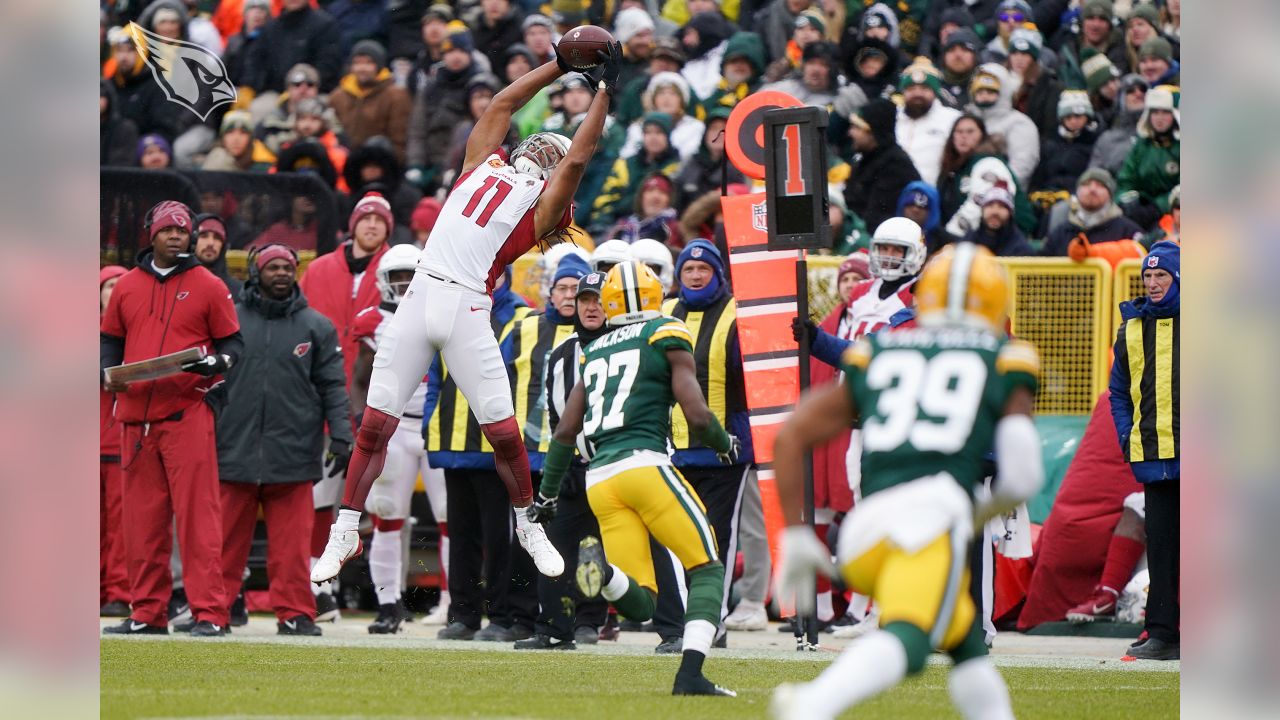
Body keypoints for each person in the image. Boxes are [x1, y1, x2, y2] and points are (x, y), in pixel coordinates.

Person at [311, 40, 628, 586]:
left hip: (466, 305)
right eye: (541, 147)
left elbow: (578, 156)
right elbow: (500, 106)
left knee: (504, 434)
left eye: (550, 157)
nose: (542, 154)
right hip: (421, 294)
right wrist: (557, 65)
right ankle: (344, 529)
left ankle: (529, 523)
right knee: (374, 425)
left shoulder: (541, 208)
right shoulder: (482, 161)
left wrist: (603, 89)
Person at [770, 242, 1043, 720]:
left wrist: (795, 533)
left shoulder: (879, 346)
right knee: (909, 641)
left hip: (865, 526)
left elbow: (792, 435)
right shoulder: (1005, 357)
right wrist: (973, 514)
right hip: (925, 525)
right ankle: (812, 705)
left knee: (963, 643)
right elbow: (1023, 474)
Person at [531, 260, 742, 696]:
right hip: (644, 464)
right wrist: (724, 443)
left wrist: (547, 495)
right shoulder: (665, 330)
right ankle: (691, 676)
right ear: (655, 295)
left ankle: (603, 571)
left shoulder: (594, 349)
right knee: (706, 568)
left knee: (640, 599)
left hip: (600, 480)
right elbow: (698, 416)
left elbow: (565, 432)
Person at [101, 200, 243, 637]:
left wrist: (214, 364)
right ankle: (147, 612)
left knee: (199, 519)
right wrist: (105, 374)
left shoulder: (209, 284)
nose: (177, 236)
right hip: (136, 420)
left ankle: (210, 614)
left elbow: (234, 347)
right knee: (141, 524)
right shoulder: (126, 286)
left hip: (187, 413)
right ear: (152, 234)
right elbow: (108, 342)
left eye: (184, 230)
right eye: (168, 229)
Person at [214, 245, 351, 638]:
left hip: (293, 453)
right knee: (223, 544)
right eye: (272, 267)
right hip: (233, 448)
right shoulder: (228, 321)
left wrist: (341, 435)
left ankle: (295, 613)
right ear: (256, 273)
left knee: (291, 549)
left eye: (287, 267)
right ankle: (213, 612)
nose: (280, 273)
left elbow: (333, 388)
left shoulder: (317, 326)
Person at [423, 265, 537, 641]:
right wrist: (430, 424)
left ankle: (502, 617)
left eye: (495, 274)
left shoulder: (522, 318)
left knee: (499, 536)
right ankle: (464, 615)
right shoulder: (450, 315)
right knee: (462, 534)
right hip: (454, 442)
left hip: (495, 446)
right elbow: (435, 380)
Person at [514, 266, 612, 650]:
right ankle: (555, 627)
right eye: (584, 299)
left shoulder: (629, 344)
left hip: (618, 464)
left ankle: (673, 630)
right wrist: (562, 468)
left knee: (637, 545)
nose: (589, 307)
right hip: (575, 464)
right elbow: (556, 418)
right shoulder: (561, 353)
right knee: (553, 543)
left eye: (597, 300)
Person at [1108, 241, 1180, 661]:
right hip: (1154, 454)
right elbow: (1118, 391)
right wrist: (1125, 434)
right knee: (1162, 546)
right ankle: (1162, 632)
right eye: (1147, 276)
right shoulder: (1131, 326)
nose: (1152, 283)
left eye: (1161, 276)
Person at [100, 265, 130, 618]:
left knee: (122, 529)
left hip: (122, 443)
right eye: (108, 286)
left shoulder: (137, 333)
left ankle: (120, 592)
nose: (115, 291)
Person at [844, 98, 921, 235]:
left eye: (857, 128)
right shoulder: (864, 160)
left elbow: (874, 219)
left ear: (873, 132)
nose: (850, 133)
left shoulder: (896, 166)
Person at [329, 40, 413, 162]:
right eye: (357, 63)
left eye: (369, 63)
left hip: (382, 163)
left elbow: (400, 140)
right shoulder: (338, 96)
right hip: (344, 162)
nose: (362, 68)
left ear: (379, 66)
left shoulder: (396, 95)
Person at [1041, 168, 1144, 259]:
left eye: (1100, 185)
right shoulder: (1061, 232)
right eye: (1086, 184)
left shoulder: (1127, 230)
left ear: (1110, 194)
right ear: (1077, 191)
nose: (1092, 189)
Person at [244, 0, 343, 94]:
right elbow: (255, 62)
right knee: (258, 109)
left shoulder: (325, 25)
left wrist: (303, 86)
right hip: (275, 94)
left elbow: (328, 65)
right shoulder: (270, 29)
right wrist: (249, 87)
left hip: (315, 92)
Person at [1116, 85, 1180, 231]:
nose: (1159, 118)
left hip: (1173, 213)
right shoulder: (1142, 145)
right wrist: (1125, 200)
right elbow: (1126, 179)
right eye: (1155, 112)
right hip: (1140, 209)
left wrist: (1159, 206)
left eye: (1165, 112)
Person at [967, 63, 1039, 187]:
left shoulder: (1019, 123)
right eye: (980, 91)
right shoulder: (965, 119)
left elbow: (1022, 165)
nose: (984, 96)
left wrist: (997, 188)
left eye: (990, 92)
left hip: (1004, 196)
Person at [895, 62, 961, 186]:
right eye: (911, 89)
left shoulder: (952, 119)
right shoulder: (892, 118)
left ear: (935, 92)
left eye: (924, 89)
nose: (917, 94)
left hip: (929, 196)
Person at [1031, 90, 1101, 195]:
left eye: (1078, 116)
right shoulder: (1049, 143)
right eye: (1068, 117)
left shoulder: (1095, 143)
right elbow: (1038, 177)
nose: (1073, 121)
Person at [960, 186, 1034, 256]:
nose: (995, 212)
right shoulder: (968, 241)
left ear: (1010, 213)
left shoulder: (1021, 249)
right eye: (990, 205)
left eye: (1002, 206)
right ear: (982, 211)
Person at [192, 214, 243, 298]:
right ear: (191, 240)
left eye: (217, 237)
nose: (211, 243)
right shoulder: (176, 284)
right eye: (204, 236)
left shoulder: (239, 291)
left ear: (223, 245)